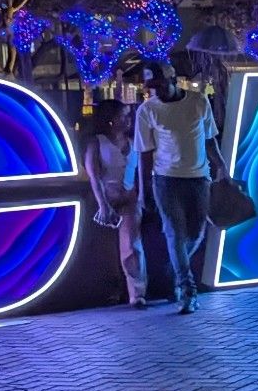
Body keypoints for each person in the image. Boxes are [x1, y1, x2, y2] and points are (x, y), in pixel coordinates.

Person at [133, 59, 226, 314]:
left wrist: (223, 167)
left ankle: (175, 269)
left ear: (172, 79)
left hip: (198, 177)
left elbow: (209, 139)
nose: (156, 91)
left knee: (195, 233)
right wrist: (144, 190)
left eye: (160, 85)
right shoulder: (147, 110)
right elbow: (144, 153)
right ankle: (187, 290)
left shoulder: (198, 102)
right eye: (151, 87)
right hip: (166, 179)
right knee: (175, 232)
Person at [84, 99, 146, 308]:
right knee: (107, 252)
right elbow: (94, 175)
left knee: (132, 246)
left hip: (129, 199)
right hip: (106, 200)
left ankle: (137, 294)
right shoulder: (97, 142)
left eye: (129, 115)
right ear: (110, 120)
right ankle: (111, 290)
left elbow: (140, 173)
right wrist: (103, 204)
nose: (128, 120)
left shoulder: (133, 142)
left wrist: (140, 197)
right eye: (123, 116)